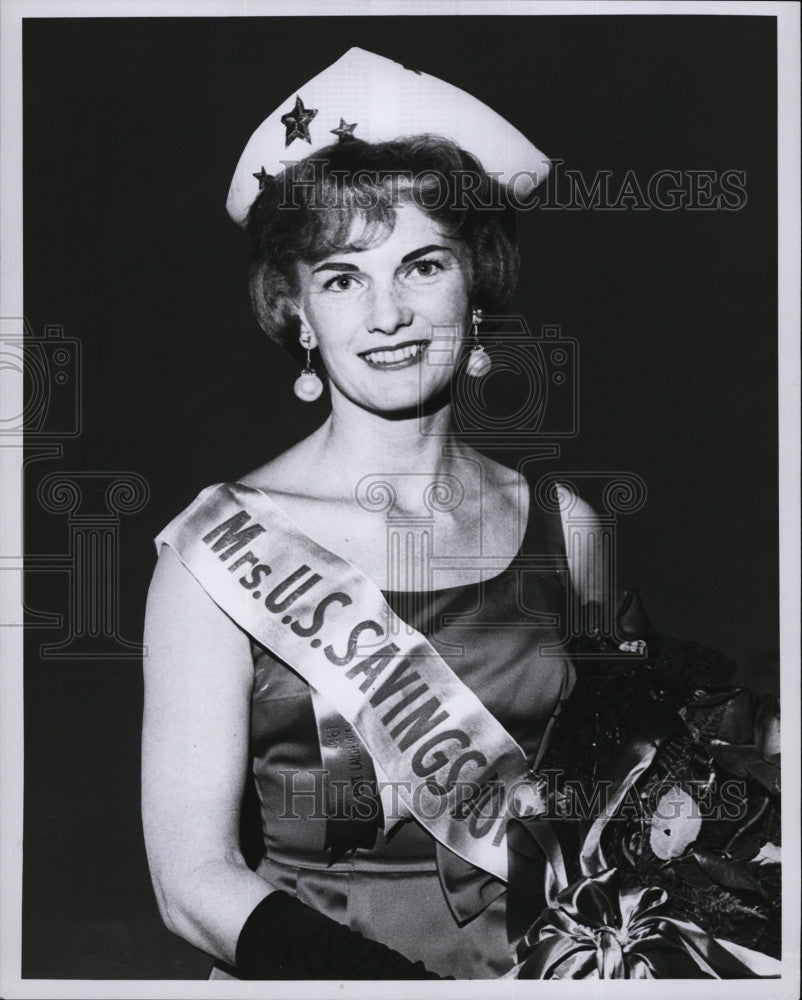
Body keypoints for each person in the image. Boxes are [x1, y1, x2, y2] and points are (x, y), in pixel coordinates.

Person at [141, 48, 781, 982]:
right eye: (343, 277)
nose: (390, 313)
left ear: (476, 287)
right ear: (300, 318)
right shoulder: (212, 554)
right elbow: (191, 884)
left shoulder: (568, 527)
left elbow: (643, 768)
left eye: (423, 264)